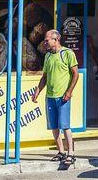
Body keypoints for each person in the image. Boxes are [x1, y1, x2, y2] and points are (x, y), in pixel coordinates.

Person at [32, 30, 80, 164]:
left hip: (63, 96)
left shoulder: (67, 54)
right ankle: (61, 152)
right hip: (50, 96)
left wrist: (69, 91)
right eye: (45, 40)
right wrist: (38, 90)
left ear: (56, 39)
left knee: (65, 125)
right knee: (53, 126)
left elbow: (75, 74)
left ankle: (71, 153)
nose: (45, 42)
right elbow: (45, 77)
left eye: (47, 40)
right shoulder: (48, 56)